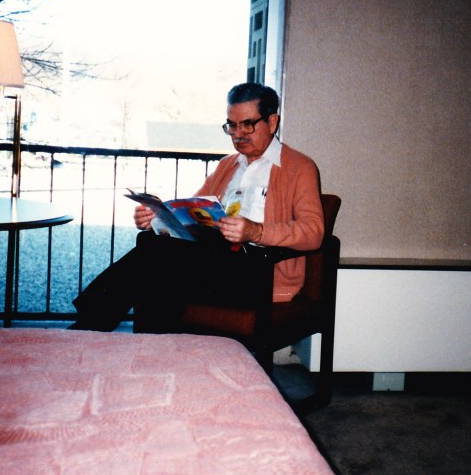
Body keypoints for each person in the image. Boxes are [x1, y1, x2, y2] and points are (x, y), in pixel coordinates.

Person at [69, 82, 324, 331]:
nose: (238, 134)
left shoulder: (299, 167)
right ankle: (134, 341)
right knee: (151, 244)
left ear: (272, 121)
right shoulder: (227, 165)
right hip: (215, 262)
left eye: (247, 124)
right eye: (232, 125)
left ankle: (91, 324)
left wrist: (256, 232)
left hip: (260, 270)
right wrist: (156, 218)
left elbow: (314, 232)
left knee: (156, 259)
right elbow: (191, 213)